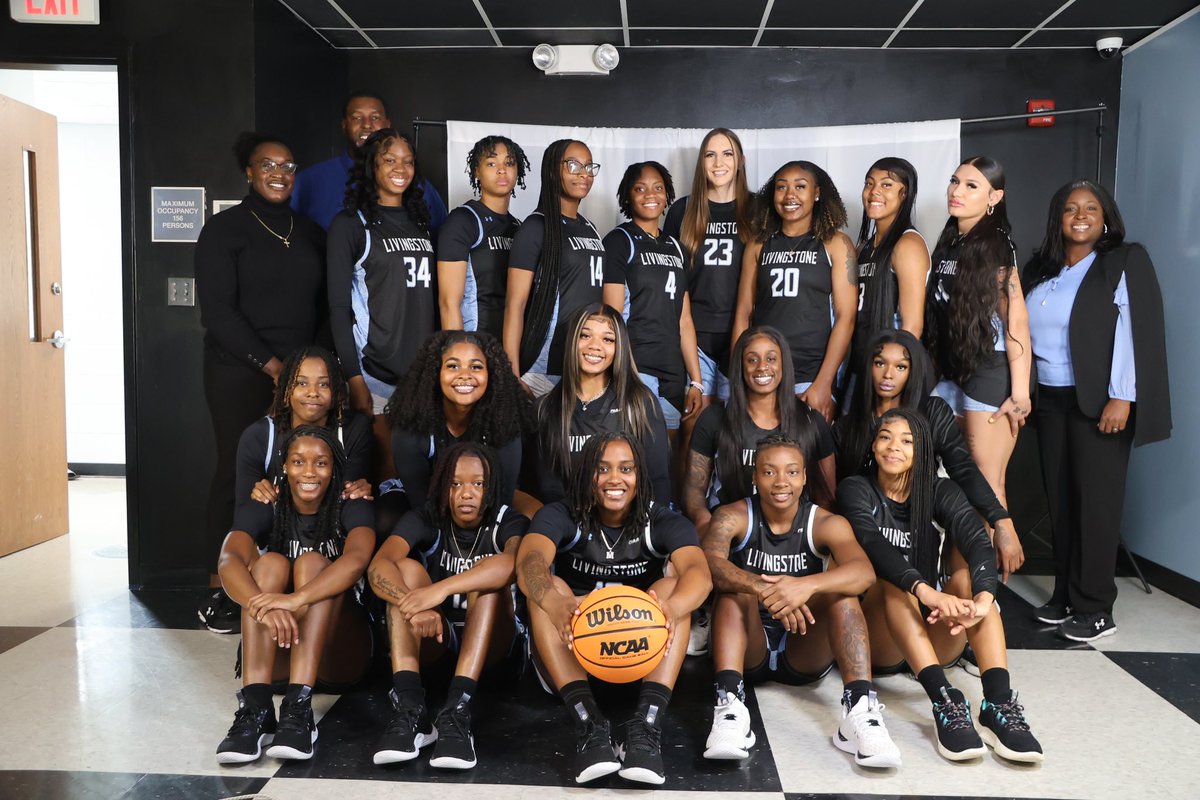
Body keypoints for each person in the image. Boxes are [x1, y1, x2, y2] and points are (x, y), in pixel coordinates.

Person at [837, 409, 1043, 764]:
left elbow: (978, 542)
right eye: (885, 437)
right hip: (882, 635)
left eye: (907, 441)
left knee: (966, 581)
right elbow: (874, 545)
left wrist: (984, 599)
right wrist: (926, 591)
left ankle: (997, 702)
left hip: (931, 631)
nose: (894, 447)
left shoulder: (937, 489)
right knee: (893, 583)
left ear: (923, 452)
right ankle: (944, 700)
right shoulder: (855, 488)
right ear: (873, 445)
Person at [516, 432, 712, 785]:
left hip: (641, 664)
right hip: (572, 659)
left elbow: (700, 575)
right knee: (548, 588)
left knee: (672, 590)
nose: (614, 479)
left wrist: (672, 607)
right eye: (601, 469)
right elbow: (529, 562)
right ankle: (588, 723)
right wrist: (555, 602)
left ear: (640, 476)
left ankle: (646, 726)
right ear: (586, 474)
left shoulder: (662, 521)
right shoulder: (561, 514)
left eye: (626, 469)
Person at [1024, 179, 1170, 641]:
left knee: (1097, 506)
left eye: (1091, 207)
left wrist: (1122, 395)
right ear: (1058, 219)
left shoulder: (1123, 261)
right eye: (1070, 208)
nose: (1080, 215)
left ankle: (1096, 607)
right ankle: (1066, 595)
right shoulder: (1041, 270)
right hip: (1049, 399)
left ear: (1106, 217)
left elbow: (1134, 331)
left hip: (1099, 403)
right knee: (1062, 503)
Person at [701, 435, 900, 768]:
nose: (782, 482)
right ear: (755, 476)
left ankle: (860, 712)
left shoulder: (825, 522)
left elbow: (864, 572)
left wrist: (805, 587)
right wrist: (763, 589)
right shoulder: (732, 515)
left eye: (792, 472)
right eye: (769, 472)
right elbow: (708, 563)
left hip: (804, 645)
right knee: (733, 588)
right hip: (748, 646)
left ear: (805, 476)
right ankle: (730, 707)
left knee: (843, 595)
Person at [196, 131, 326, 632]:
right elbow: (220, 313)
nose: (279, 173)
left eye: (288, 164)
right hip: (239, 371)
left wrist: (309, 369)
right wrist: (274, 368)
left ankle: (284, 579)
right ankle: (222, 590)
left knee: (302, 473)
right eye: (267, 165)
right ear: (248, 172)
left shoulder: (310, 232)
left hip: (301, 376)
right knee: (239, 473)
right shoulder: (224, 230)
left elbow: (323, 310)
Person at [214, 425, 374, 764]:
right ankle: (256, 708)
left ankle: (299, 707)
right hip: (280, 647)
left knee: (312, 564)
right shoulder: (266, 504)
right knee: (269, 564)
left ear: (335, 469)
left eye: (321, 463)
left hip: (341, 650)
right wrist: (266, 609)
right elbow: (228, 560)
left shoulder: (351, 504)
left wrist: (294, 600)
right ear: (284, 467)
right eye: (298, 462)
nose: (309, 472)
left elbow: (357, 560)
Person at [367, 443, 528, 769]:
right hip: (437, 643)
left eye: (477, 484)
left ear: (491, 486)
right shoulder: (426, 518)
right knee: (405, 572)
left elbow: (512, 565)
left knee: (486, 584)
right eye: (456, 484)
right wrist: (412, 603)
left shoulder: (507, 521)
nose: (466, 493)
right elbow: (378, 566)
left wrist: (438, 592)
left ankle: (458, 710)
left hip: (495, 654)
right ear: (443, 486)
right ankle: (411, 710)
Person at [836, 330, 1023, 580]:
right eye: (879, 363)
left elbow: (963, 468)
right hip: (869, 525)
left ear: (913, 372)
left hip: (920, 518)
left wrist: (1001, 519)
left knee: (965, 509)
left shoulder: (931, 412)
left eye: (901, 366)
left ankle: (965, 589)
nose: (888, 374)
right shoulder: (850, 425)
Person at [923, 156, 1032, 528]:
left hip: (988, 371)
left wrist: (1020, 392)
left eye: (971, 186)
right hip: (954, 371)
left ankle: (988, 587)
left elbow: (1015, 317)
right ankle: (962, 576)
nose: (957, 191)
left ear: (994, 197)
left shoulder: (997, 245)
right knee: (955, 478)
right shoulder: (952, 240)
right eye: (955, 182)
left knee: (986, 483)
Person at [733, 160, 857, 421]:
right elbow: (744, 313)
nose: (790, 195)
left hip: (811, 372)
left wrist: (824, 382)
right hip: (764, 369)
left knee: (808, 457)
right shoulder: (758, 245)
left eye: (800, 186)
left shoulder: (835, 243)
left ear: (817, 193)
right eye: (782, 187)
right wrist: (738, 375)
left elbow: (846, 317)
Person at [685, 326, 837, 536]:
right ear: (740, 366)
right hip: (730, 531)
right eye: (752, 359)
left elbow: (825, 497)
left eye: (771, 359)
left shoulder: (811, 421)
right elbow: (694, 489)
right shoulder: (715, 418)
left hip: (793, 536)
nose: (762, 367)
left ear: (783, 364)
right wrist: (704, 521)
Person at [328, 128, 435, 423]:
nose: (401, 169)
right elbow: (338, 309)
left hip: (421, 376)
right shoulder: (351, 224)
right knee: (381, 466)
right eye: (389, 160)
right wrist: (354, 378)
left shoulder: (421, 222)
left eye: (408, 161)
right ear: (372, 165)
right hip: (374, 375)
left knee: (418, 466)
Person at [602, 161, 704, 436]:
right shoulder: (619, 241)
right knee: (635, 452)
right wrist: (617, 371)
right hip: (636, 366)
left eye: (658, 188)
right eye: (640, 188)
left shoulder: (677, 249)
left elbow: (684, 320)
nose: (650, 195)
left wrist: (696, 381)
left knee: (668, 459)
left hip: (672, 371)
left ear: (667, 194)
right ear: (628, 196)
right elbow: (610, 317)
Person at [235, 346, 375, 545]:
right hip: (277, 552)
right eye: (301, 383)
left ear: (336, 390)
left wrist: (358, 490)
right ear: (286, 388)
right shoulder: (259, 436)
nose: (312, 393)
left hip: (332, 548)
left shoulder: (354, 430)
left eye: (324, 385)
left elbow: (344, 497)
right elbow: (244, 520)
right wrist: (258, 495)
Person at [535, 304, 671, 505]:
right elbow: (549, 490)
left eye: (607, 339)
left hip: (630, 523)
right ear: (572, 340)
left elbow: (657, 481)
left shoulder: (640, 402)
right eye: (585, 335)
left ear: (619, 347)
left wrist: (644, 531)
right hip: (570, 524)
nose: (595, 346)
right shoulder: (546, 408)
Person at [387, 330, 530, 516]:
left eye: (476, 367)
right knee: (388, 519)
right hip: (425, 508)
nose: (464, 375)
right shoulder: (412, 425)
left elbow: (502, 503)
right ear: (436, 372)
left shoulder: (503, 423)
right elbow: (421, 507)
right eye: (453, 366)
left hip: (481, 507)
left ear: (491, 374)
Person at [504, 139, 605, 396]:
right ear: (552, 170)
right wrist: (511, 373)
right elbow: (515, 305)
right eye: (573, 165)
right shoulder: (536, 227)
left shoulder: (590, 227)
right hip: (544, 366)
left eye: (589, 166)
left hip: (584, 364)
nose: (584, 173)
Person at [664, 128, 755, 405]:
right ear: (701, 162)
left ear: (740, 160)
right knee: (694, 426)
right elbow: (671, 281)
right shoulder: (683, 210)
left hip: (742, 335)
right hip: (694, 337)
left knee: (735, 431)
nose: (718, 164)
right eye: (710, 155)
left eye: (727, 154)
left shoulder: (758, 208)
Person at [291, 92, 447, 232]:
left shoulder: (417, 186)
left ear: (387, 125)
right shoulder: (309, 181)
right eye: (357, 118)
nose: (367, 124)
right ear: (344, 125)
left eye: (375, 118)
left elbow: (442, 241)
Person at [438, 135, 530, 338]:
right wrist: (459, 359)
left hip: (510, 348)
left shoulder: (519, 227)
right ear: (476, 171)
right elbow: (448, 302)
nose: (501, 170)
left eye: (509, 163)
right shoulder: (463, 220)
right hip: (474, 346)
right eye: (491, 163)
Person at [852, 157, 929, 377]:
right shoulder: (863, 248)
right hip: (861, 362)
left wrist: (892, 373)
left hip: (887, 369)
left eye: (887, 184)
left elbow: (912, 326)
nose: (874, 191)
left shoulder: (907, 244)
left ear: (904, 194)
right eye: (869, 183)